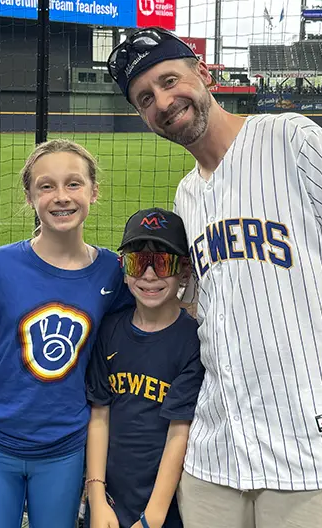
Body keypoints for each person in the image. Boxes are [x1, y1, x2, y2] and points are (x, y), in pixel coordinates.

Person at [106, 28, 322, 528]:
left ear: (203, 74)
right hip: (215, 454)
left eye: (169, 80)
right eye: (145, 98)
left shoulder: (293, 139)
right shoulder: (187, 196)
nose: (163, 101)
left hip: (310, 449)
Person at [0, 139, 133, 528]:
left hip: (63, 450)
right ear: (29, 196)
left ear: (94, 191)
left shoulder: (114, 273)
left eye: (73, 184)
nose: (61, 197)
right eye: (46, 186)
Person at [85, 207, 204, 528]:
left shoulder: (192, 341)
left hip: (162, 509)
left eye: (163, 263)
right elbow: (99, 414)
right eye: (139, 263)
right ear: (124, 270)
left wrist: (152, 515)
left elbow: (179, 432)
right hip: (108, 501)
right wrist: (96, 498)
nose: (149, 276)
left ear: (184, 271)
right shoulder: (108, 331)